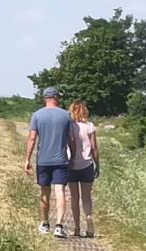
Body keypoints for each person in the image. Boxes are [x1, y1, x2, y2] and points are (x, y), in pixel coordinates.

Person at [24, 86, 71, 238]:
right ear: (56, 97)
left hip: (43, 160)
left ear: (45, 98)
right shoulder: (65, 115)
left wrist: (27, 159)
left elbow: (32, 138)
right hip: (60, 159)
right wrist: (74, 155)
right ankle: (59, 225)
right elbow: (71, 139)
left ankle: (45, 223)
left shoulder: (37, 115)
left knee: (44, 192)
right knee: (60, 192)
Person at [67, 100, 99, 238]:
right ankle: (89, 219)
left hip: (72, 165)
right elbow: (94, 148)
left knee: (74, 198)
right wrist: (97, 164)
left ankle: (77, 228)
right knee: (86, 197)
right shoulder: (90, 126)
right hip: (87, 165)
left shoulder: (70, 127)